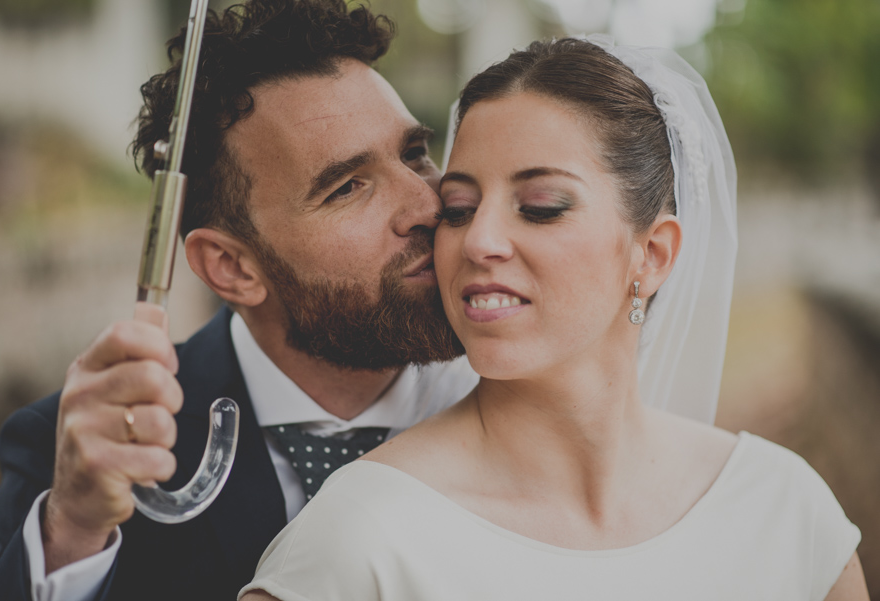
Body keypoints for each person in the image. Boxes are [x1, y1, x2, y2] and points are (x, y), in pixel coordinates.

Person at [240, 37, 868, 601]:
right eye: (457, 208)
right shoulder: (357, 541)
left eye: (540, 207)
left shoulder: (786, 510)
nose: (478, 239)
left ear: (650, 255)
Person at [0, 2, 478, 600]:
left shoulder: (527, 394)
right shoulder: (82, 454)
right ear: (232, 267)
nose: (426, 206)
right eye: (347, 187)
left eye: (415, 153)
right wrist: (74, 530)